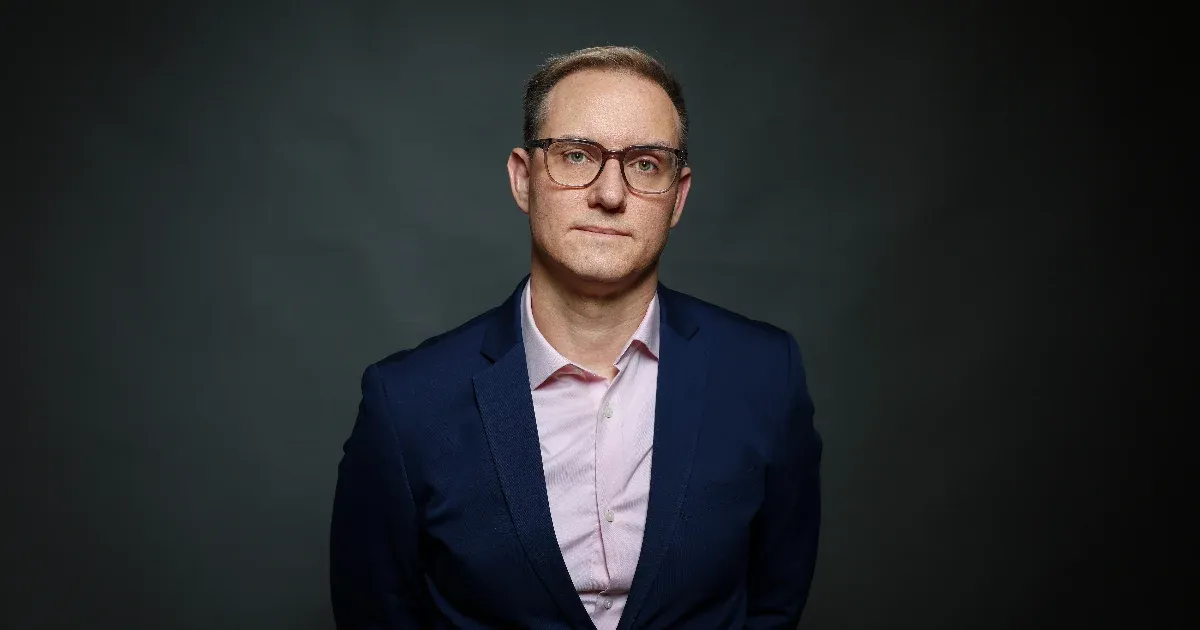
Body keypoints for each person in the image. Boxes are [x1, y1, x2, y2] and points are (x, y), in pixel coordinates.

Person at [330, 45, 822, 629]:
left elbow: (775, 602)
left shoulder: (765, 374)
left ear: (678, 196)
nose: (609, 194)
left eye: (646, 164)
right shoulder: (407, 403)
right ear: (523, 179)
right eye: (576, 155)